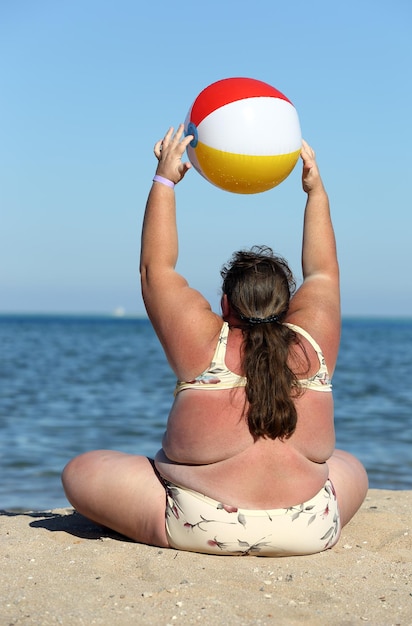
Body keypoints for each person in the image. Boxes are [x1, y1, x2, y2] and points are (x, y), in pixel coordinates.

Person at [62, 125, 368, 556]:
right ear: (289, 303)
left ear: (224, 303)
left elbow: (156, 270)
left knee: (81, 470)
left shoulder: (204, 345)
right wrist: (315, 191)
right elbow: (323, 271)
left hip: (203, 526)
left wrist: (165, 179)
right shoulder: (312, 346)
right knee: (351, 465)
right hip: (310, 528)